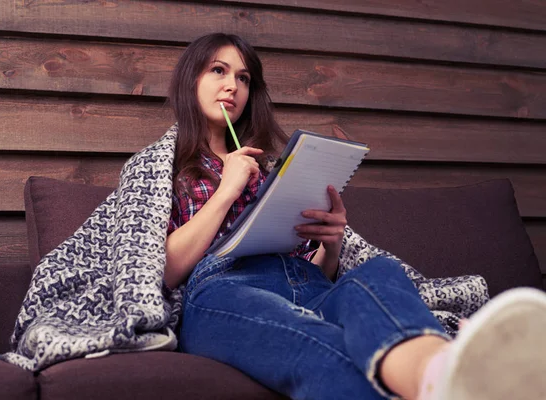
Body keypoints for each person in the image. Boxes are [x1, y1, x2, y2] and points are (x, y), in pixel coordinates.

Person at [164, 32, 546, 400]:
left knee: (378, 274)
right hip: (222, 290)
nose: (232, 85)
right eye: (218, 70)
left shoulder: (267, 172)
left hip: (302, 281)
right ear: (190, 78)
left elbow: (312, 267)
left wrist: (330, 244)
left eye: (243, 77)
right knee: (315, 341)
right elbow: (165, 270)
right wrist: (227, 189)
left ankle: (440, 371)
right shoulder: (164, 167)